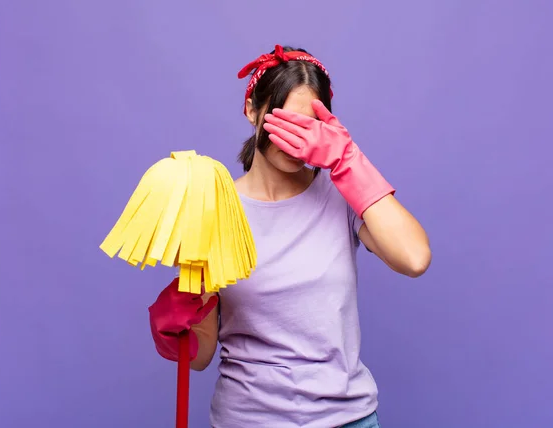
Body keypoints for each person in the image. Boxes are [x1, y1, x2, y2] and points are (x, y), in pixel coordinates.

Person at [148, 45, 431, 428]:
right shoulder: (214, 210)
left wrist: (348, 160)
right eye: (284, 120)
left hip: (346, 419)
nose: (295, 138)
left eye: (309, 124)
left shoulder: (343, 195)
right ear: (252, 109)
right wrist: (180, 320)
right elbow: (200, 357)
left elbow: (414, 258)